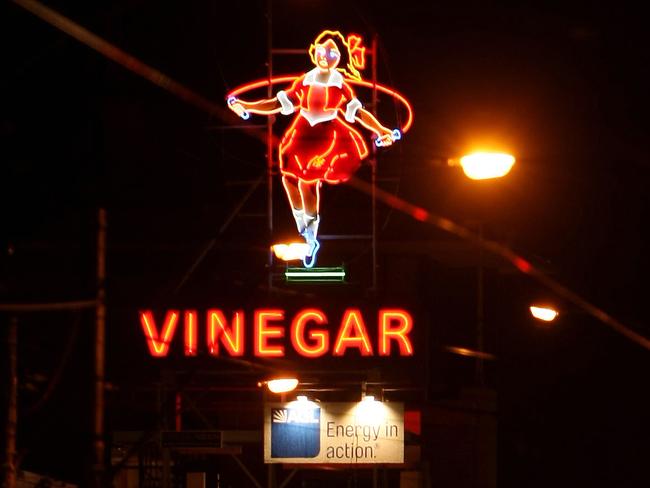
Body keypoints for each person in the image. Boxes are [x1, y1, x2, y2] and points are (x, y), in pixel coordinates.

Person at [228, 30, 397, 267]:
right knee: (288, 179)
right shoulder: (305, 80)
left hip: (326, 136)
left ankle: (310, 238)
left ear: (339, 57)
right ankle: (305, 234)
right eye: (321, 51)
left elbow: (359, 113)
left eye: (331, 52)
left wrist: (381, 130)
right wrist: (247, 106)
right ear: (313, 51)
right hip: (300, 133)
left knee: (307, 183)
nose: (325, 56)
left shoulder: (340, 85)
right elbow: (277, 103)